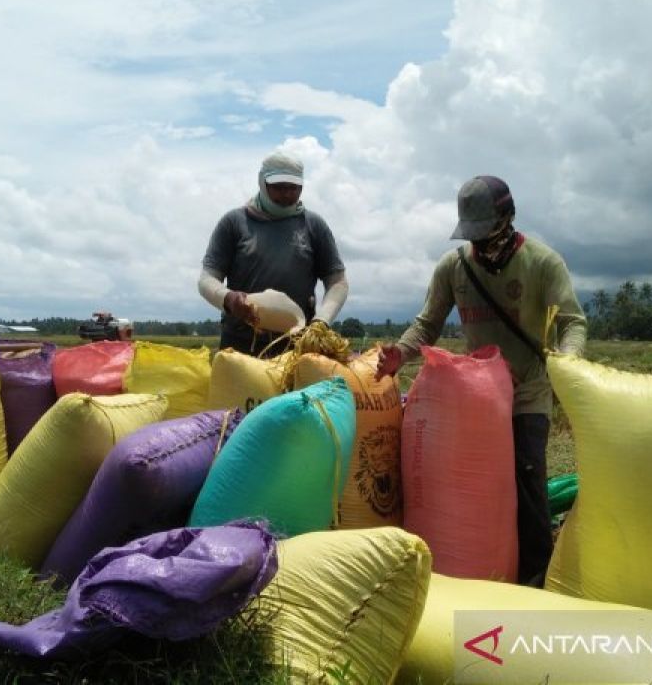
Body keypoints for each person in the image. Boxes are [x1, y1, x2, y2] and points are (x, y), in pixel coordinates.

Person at [376, 175, 587, 585]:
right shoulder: (454, 267)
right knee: (475, 489)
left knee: (527, 485)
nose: (479, 243)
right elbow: (427, 325)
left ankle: (535, 579)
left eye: (485, 232)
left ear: (507, 219)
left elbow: (572, 322)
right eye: (471, 234)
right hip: (479, 402)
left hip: (528, 392)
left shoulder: (543, 263)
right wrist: (399, 355)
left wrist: (568, 361)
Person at [198, 151, 348, 356]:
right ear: (262, 182)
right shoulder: (234, 223)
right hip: (240, 345)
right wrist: (228, 299)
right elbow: (207, 279)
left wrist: (321, 321)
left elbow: (337, 282)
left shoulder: (314, 225)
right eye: (278, 187)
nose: (287, 194)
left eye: (293, 188)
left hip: (296, 346)